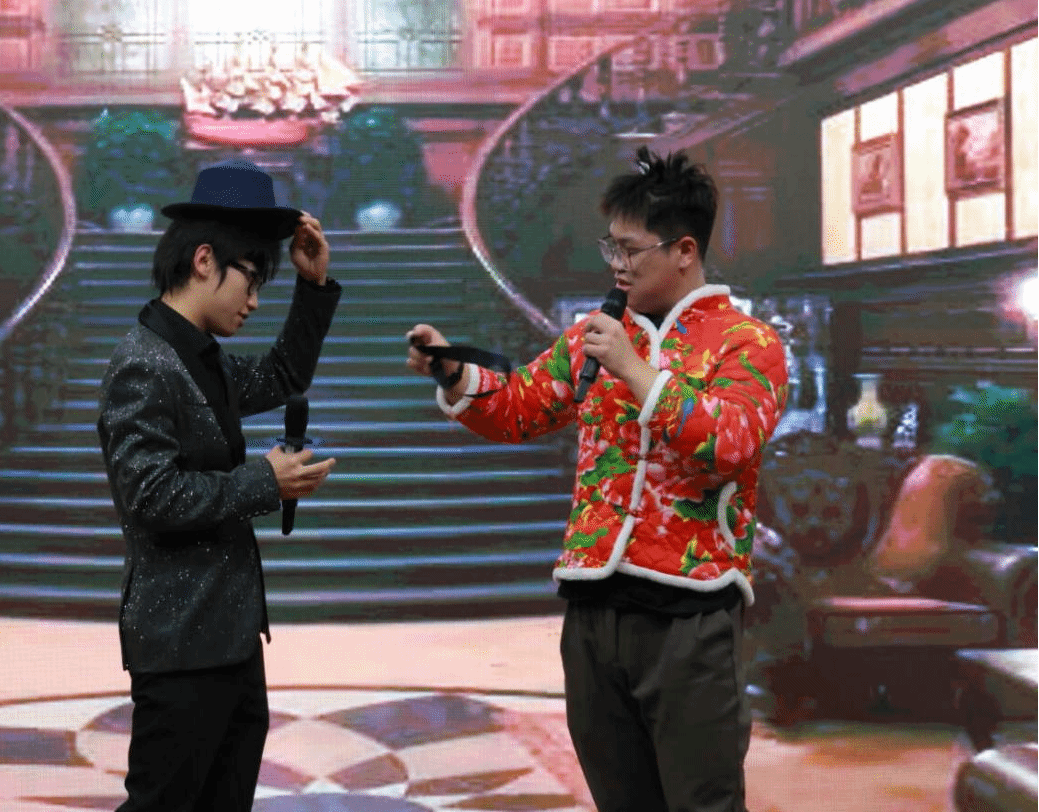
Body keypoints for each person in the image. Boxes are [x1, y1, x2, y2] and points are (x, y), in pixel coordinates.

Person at [406, 148, 788, 812]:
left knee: (702, 800)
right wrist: (453, 372)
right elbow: (520, 407)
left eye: (631, 249)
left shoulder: (747, 342)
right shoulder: (595, 333)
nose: (616, 263)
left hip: (690, 611)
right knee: (620, 796)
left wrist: (635, 371)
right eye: (610, 246)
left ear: (685, 250)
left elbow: (730, 442)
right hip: (592, 603)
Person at [97, 158, 341, 811]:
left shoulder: (200, 357)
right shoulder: (145, 364)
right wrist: (264, 480)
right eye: (251, 280)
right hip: (180, 641)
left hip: (228, 636)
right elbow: (150, 496)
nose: (254, 301)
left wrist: (313, 285)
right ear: (204, 260)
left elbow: (284, 374)